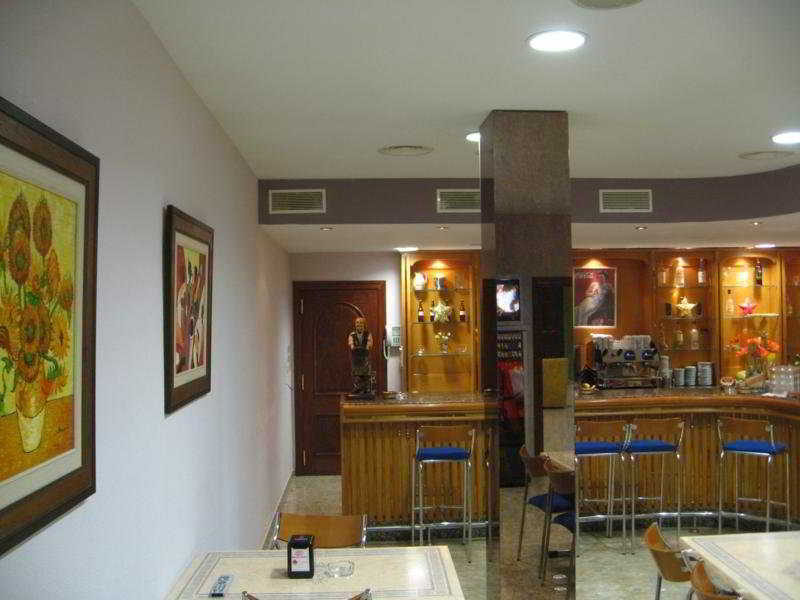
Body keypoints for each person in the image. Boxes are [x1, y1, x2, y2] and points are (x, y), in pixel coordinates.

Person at [348, 317, 374, 395]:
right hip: (356, 358)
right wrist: (353, 346)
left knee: (366, 374)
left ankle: (366, 389)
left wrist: (366, 347)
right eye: (357, 323)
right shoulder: (352, 335)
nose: (359, 325)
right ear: (355, 325)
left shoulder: (368, 334)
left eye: (361, 323)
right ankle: (357, 388)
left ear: (364, 325)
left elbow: (369, 344)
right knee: (356, 374)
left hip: (365, 357)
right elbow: (351, 344)